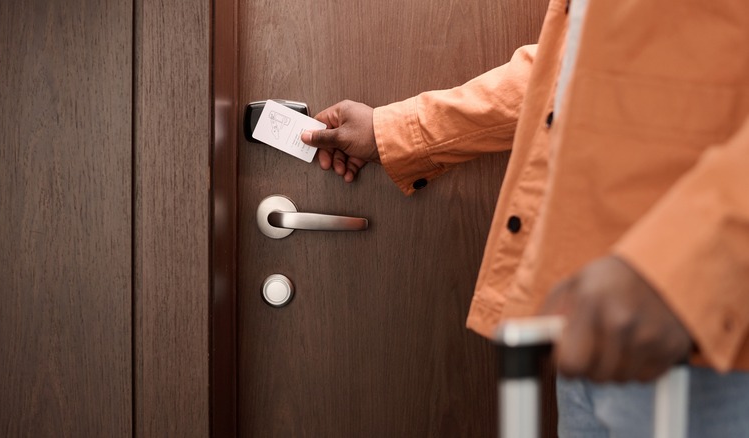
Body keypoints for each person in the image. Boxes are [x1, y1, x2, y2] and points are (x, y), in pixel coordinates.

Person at [302, 0, 749, 435]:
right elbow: (569, 75)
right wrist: (392, 130)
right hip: (597, 325)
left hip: (708, 331)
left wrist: (677, 268)